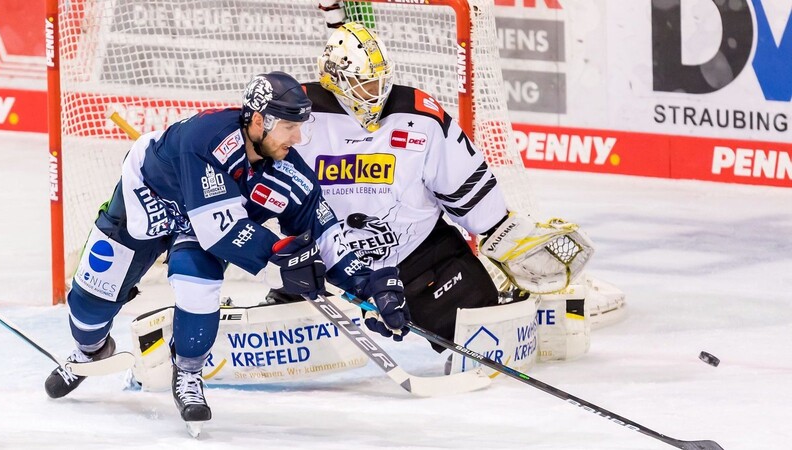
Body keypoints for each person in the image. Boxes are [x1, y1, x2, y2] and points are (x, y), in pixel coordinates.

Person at [44, 71, 410, 424]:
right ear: (258, 121)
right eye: (288, 126)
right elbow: (220, 230)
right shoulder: (205, 139)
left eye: (300, 126)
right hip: (149, 199)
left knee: (197, 283)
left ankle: (188, 373)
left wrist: (368, 283)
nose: (298, 138)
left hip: (203, 221)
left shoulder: (286, 169)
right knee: (91, 300)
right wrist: (285, 258)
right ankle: (89, 350)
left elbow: (323, 229)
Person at [271, 22, 596, 361]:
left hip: (418, 256)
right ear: (333, 78)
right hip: (329, 264)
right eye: (364, 82)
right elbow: (255, 182)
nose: (376, 90)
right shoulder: (296, 115)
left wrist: (499, 227)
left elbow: (462, 179)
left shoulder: (418, 115)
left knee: (485, 327)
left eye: (380, 79)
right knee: (289, 333)